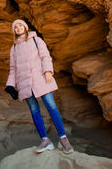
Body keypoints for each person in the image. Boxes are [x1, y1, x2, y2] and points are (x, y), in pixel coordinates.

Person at [5, 19, 74, 154]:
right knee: (34, 111)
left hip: (40, 79)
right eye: (15, 27)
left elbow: (45, 57)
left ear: (25, 27)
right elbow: (13, 69)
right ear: (14, 31)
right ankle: (45, 140)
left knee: (51, 106)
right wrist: (11, 85)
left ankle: (63, 139)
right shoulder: (14, 48)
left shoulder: (36, 40)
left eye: (20, 25)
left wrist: (48, 71)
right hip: (24, 84)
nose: (18, 28)